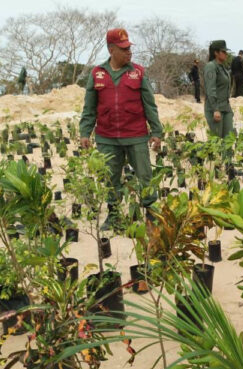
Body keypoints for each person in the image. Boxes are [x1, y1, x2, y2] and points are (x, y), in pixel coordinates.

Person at [79, 28, 163, 230]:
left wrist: (156, 132)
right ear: (111, 50)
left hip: (135, 136)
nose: (129, 52)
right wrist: (85, 132)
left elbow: (149, 105)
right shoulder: (97, 73)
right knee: (111, 178)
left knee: (145, 176)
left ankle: (151, 214)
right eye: (123, 49)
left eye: (129, 49)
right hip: (107, 138)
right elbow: (89, 107)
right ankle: (114, 216)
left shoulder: (138, 73)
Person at [203, 40, 233, 139]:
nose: (226, 54)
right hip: (215, 109)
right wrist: (215, 109)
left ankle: (227, 155)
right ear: (216, 53)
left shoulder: (223, 68)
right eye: (223, 52)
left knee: (229, 140)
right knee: (216, 142)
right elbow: (210, 89)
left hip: (226, 108)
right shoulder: (211, 66)